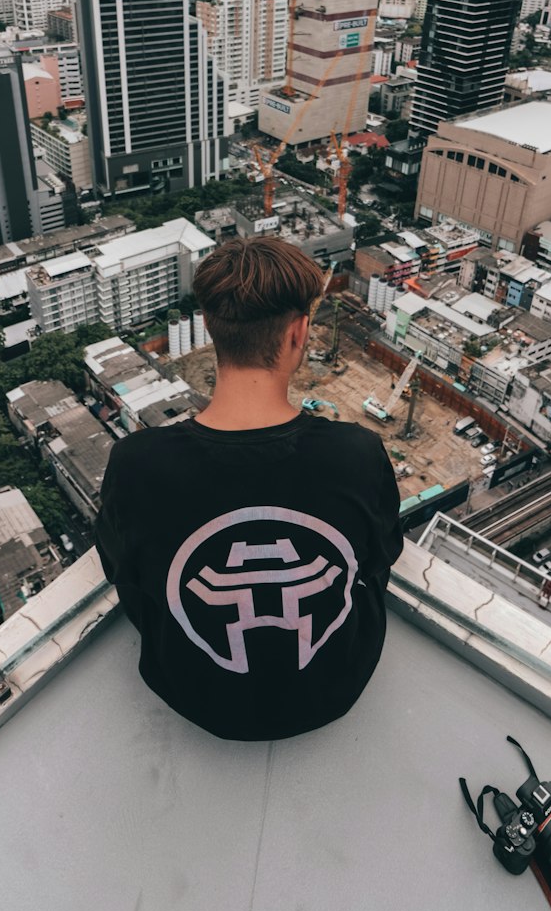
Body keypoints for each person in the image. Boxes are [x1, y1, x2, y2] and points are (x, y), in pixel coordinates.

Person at [95, 236, 403, 742]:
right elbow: (380, 557)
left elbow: (119, 570)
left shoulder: (137, 464)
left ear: (212, 333)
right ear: (298, 334)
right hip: (336, 687)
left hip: (193, 696)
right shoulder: (357, 454)